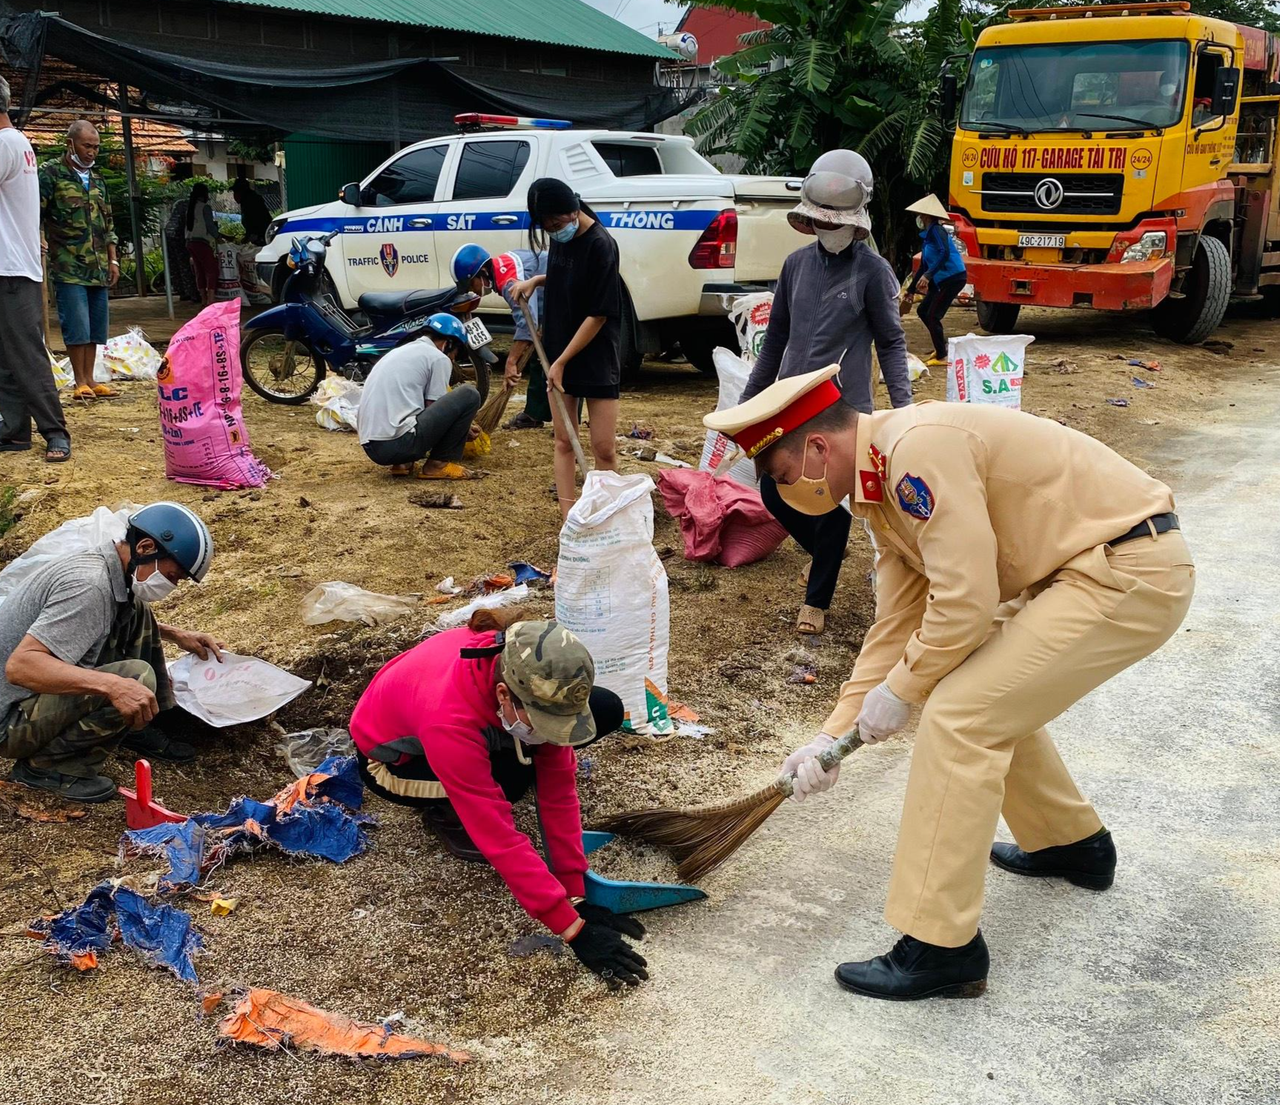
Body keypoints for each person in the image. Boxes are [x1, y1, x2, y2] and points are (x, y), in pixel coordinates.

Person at [705, 365, 1194, 1001]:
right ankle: (1070, 842)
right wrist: (832, 735)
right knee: (976, 690)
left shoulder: (916, 454)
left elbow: (965, 603)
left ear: (818, 447)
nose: (786, 491)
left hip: (1126, 570)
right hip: (1085, 571)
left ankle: (940, 946)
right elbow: (899, 622)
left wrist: (904, 692)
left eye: (782, 475)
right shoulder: (879, 485)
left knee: (961, 716)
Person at [350, 615, 648, 987]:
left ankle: (500, 763)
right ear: (504, 694)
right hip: (394, 765)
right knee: (503, 789)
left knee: (603, 709)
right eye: (540, 720)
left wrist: (575, 893)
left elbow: (558, 790)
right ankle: (444, 814)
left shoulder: (517, 664)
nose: (549, 733)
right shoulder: (448, 722)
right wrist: (572, 929)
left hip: (463, 716)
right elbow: (499, 837)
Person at [740, 149, 913, 637]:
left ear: (857, 223)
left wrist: (906, 412)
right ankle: (826, 555)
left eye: (835, 222)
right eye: (819, 221)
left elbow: (892, 343)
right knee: (774, 489)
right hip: (790, 406)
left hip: (842, 410)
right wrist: (747, 407)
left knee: (835, 503)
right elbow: (774, 343)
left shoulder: (873, 272)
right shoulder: (795, 267)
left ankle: (817, 601)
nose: (827, 229)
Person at [0, 502, 226, 802]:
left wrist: (175, 634)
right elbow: (21, 667)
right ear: (145, 547)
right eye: (172, 576)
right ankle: (48, 768)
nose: (171, 586)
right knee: (136, 678)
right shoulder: (89, 586)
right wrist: (114, 686)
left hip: (16, 700)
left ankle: (141, 722)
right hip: (8, 722)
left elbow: (102, 616)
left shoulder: (106, 569)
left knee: (137, 611)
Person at [511, 179, 622, 519]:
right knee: (563, 441)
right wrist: (536, 280)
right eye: (545, 227)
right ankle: (568, 519)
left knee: (603, 446)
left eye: (556, 225)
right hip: (559, 351)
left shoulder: (602, 245)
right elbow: (565, 277)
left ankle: (610, 515)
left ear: (573, 211)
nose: (552, 232)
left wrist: (561, 361)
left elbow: (598, 314)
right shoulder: (561, 235)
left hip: (594, 355)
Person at [0, 76, 70, 463]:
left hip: (10, 267)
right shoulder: (18, 142)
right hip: (11, 264)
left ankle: (55, 432)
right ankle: (13, 431)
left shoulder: (4, 144)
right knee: (5, 355)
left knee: (25, 353)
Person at [39, 119, 119, 401]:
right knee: (77, 324)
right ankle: (79, 381)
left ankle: (91, 379)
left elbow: (108, 224)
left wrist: (113, 260)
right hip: (68, 264)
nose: (92, 152)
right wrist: (38, 237)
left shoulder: (97, 180)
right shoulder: (51, 175)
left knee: (96, 325)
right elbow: (35, 211)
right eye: (87, 146)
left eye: (96, 147)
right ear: (70, 144)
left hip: (97, 266)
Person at [357, 312, 482, 479]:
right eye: (456, 353)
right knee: (469, 393)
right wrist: (460, 430)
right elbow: (434, 407)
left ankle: (402, 463)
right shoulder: (438, 358)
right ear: (448, 344)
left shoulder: (400, 352)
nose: (453, 359)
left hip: (373, 447)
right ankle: (438, 464)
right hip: (397, 444)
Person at [450, 242, 549, 430]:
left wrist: (510, 362)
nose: (474, 291)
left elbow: (528, 324)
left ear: (482, 273)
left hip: (572, 296)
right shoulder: (501, 265)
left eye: (471, 285)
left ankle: (567, 426)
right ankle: (534, 414)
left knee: (560, 360)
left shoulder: (509, 282)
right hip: (552, 302)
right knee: (540, 356)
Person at [900, 195, 967, 368]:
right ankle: (941, 348)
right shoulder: (928, 237)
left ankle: (943, 356)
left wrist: (929, 275)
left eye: (921, 216)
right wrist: (910, 290)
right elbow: (922, 266)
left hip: (952, 278)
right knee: (923, 311)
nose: (919, 219)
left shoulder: (938, 231)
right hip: (942, 280)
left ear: (928, 217)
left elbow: (944, 253)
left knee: (932, 315)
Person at [184, 183, 219, 307]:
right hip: (202, 242)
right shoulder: (205, 208)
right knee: (211, 270)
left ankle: (203, 298)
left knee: (199, 271)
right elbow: (210, 226)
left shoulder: (190, 207)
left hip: (190, 242)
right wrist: (218, 237)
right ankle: (211, 299)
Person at [231, 177, 271, 246]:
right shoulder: (247, 201)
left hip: (262, 237)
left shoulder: (250, 202)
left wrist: (247, 239)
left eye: (235, 192)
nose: (234, 195)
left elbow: (254, 223)